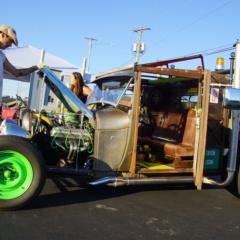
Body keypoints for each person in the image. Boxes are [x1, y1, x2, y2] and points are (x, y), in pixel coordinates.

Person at [0, 24, 38, 106]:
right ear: (2, 35)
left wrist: (34, 68)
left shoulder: (1, 56)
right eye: (10, 41)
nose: (10, 45)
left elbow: (17, 73)